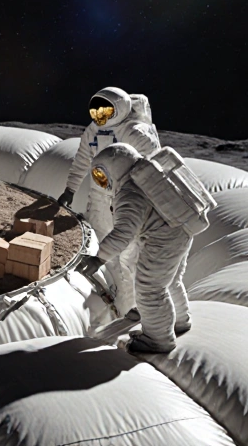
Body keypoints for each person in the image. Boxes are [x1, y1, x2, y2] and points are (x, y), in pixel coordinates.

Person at [79, 143, 196, 354]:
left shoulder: (130, 193)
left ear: (115, 170)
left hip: (163, 239)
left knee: (150, 288)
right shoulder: (146, 180)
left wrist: (98, 259)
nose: (102, 183)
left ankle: (159, 340)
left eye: (103, 176)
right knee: (170, 281)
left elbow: (123, 233)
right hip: (181, 230)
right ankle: (179, 320)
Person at [55, 87, 159, 315]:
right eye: (96, 110)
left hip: (127, 199)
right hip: (100, 198)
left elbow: (153, 164)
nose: (99, 116)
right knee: (102, 251)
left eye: (106, 111)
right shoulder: (93, 131)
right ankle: (117, 302)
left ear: (120, 110)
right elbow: (82, 160)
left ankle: (138, 307)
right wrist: (70, 189)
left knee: (130, 256)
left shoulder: (133, 133)